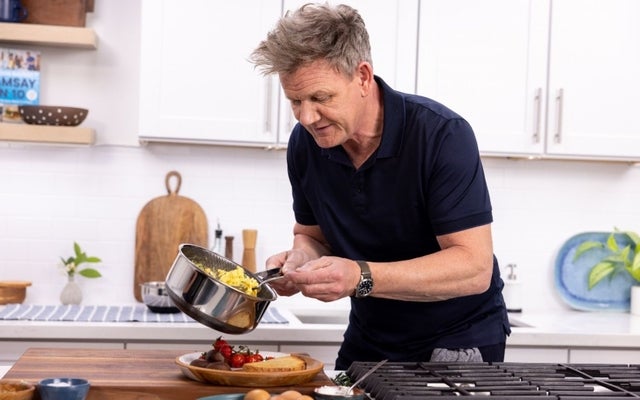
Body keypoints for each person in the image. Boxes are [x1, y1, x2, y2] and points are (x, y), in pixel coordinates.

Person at [250, 3, 510, 370]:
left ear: (362, 76)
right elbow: (311, 235)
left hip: (457, 337)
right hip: (370, 335)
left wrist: (360, 277)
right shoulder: (306, 143)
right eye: (295, 100)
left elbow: (473, 268)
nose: (306, 117)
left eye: (320, 98)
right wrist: (301, 260)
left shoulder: (441, 134)